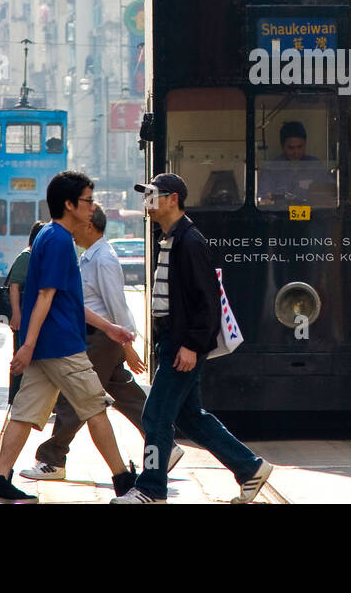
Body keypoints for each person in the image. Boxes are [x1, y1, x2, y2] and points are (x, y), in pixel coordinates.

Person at [113, 173, 272, 503]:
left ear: (173, 199)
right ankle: (249, 468)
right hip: (174, 341)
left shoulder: (190, 242)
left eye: (152, 196)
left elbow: (207, 303)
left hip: (181, 343)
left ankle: (150, 489)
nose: (147, 203)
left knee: (155, 416)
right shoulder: (171, 238)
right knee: (190, 417)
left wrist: (191, 346)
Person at [0, 172, 136, 503]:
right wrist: (27, 345)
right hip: (62, 346)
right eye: (88, 200)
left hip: (48, 346)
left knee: (24, 412)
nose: (93, 207)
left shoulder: (51, 237)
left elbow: (69, 300)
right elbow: (45, 297)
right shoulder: (59, 241)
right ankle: (123, 480)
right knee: (95, 408)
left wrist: (108, 328)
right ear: (69, 205)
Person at [21, 204, 182, 480]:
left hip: (101, 340)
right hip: (97, 338)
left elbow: (117, 306)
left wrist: (127, 345)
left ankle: (53, 458)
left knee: (74, 400)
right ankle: (166, 443)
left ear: (90, 226)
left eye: (79, 222)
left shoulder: (103, 259)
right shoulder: (88, 257)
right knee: (125, 392)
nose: (72, 228)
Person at [5, 220, 45, 405]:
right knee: (20, 355)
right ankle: (16, 396)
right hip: (23, 317)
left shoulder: (39, 257)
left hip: (35, 316)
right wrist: (16, 313)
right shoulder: (26, 257)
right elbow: (14, 287)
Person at [257, 121, 331, 206]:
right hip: (280, 216)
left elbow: (329, 194)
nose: (296, 152)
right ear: (282, 147)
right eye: (291, 148)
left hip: (311, 216)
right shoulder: (270, 170)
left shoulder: (315, 166)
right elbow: (264, 199)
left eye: (300, 146)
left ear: (305, 144)